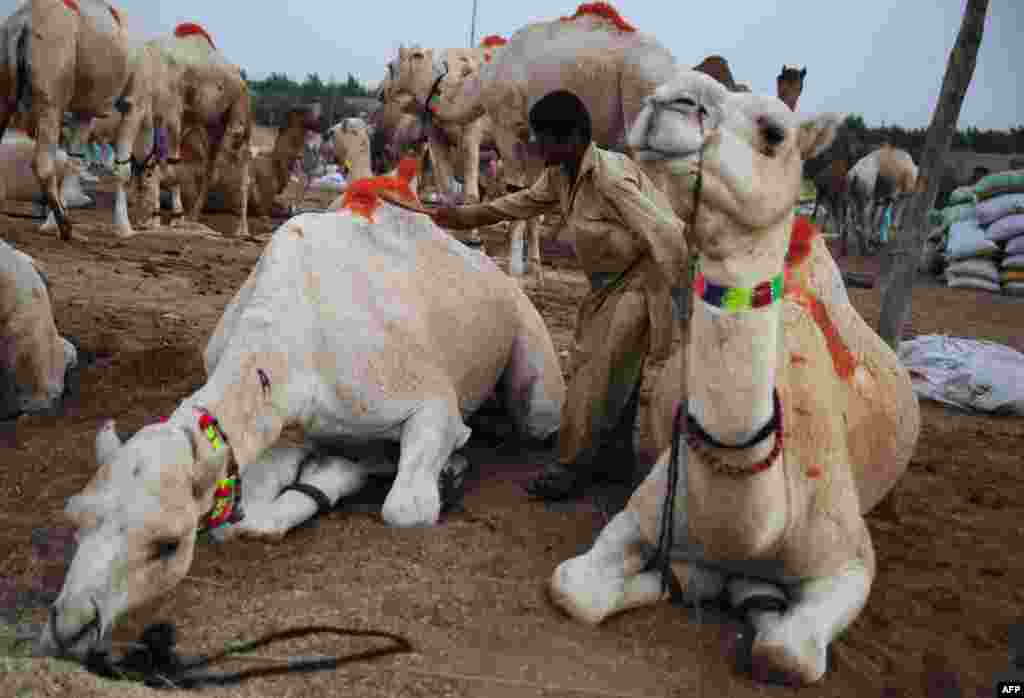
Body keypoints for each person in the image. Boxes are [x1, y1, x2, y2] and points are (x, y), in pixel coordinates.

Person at [429, 90, 688, 501]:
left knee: (592, 374)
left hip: (640, 282)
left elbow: (668, 232)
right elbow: (517, 205)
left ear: (571, 138)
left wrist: (685, 306)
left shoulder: (610, 179)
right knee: (614, 372)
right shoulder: (559, 177)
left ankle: (569, 468)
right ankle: (614, 460)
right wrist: (461, 216)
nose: (536, 147)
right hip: (606, 285)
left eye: (542, 138)